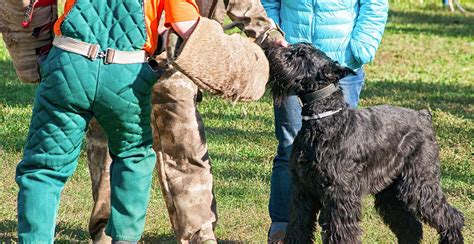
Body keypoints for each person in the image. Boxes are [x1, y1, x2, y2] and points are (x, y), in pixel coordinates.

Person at [86, 1, 288, 243]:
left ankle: (199, 235)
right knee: (107, 147)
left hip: (174, 61)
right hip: (113, 56)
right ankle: (106, 232)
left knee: (186, 147)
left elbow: (246, 8)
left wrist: (270, 37)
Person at [15, 0, 201, 242]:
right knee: (134, 157)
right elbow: (184, 24)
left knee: (44, 168)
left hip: (69, 65)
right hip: (126, 74)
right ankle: (124, 239)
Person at [260, 0, 389, 242]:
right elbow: (268, 2)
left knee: (339, 159)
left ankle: (335, 230)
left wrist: (362, 47)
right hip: (293, 60)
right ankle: (284, 228)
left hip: (339, 61)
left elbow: (375, 3)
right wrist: (274, 34)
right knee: (290, 148)